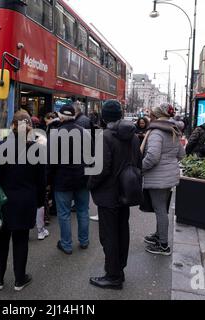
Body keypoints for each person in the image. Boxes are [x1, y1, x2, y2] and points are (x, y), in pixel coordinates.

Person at [0, 111, 46, 291]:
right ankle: (20, 279)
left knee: (1, 241)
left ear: (12, 126)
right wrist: (40, 203)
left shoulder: (1, 147)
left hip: (3, 201)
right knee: (21, 241)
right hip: (26, 202)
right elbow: (42, 181)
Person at [88, 100, 142, 290]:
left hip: (108, 195)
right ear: (120, 115)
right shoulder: (134, 137)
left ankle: (113, 276)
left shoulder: (106, 137)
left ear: (104, 117)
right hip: (126, 193)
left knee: (109, 236)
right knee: (122, 232)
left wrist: (90, 184)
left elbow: (101, 169)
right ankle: (119, 269)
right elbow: (138, 163)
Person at [142, 103, 185, 256]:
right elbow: (181, 154)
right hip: (168, 176)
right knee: (161, 209)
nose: (150, 116)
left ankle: (163, 244)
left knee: (160, 210)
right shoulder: (174, 130)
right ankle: (159, 235)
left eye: (152, 114)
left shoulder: (156, 133)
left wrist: (139, 168)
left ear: (156, 116)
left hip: (158, 177)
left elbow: (152, 157)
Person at [49, 104, 90, 255]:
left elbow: (50, 161)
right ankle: (84, 241)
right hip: (83, 178)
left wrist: (49, 180)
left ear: (60, 117)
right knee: (83, 210)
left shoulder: (56, 134)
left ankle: (66, 245)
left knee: (64, 213)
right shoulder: (84, 133)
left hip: (63, 180)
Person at [31, 116, 50, 241]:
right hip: (38, 174)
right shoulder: (42, 138)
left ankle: (26, 228)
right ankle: (40, 230)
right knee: (40, 203)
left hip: (25, 177)